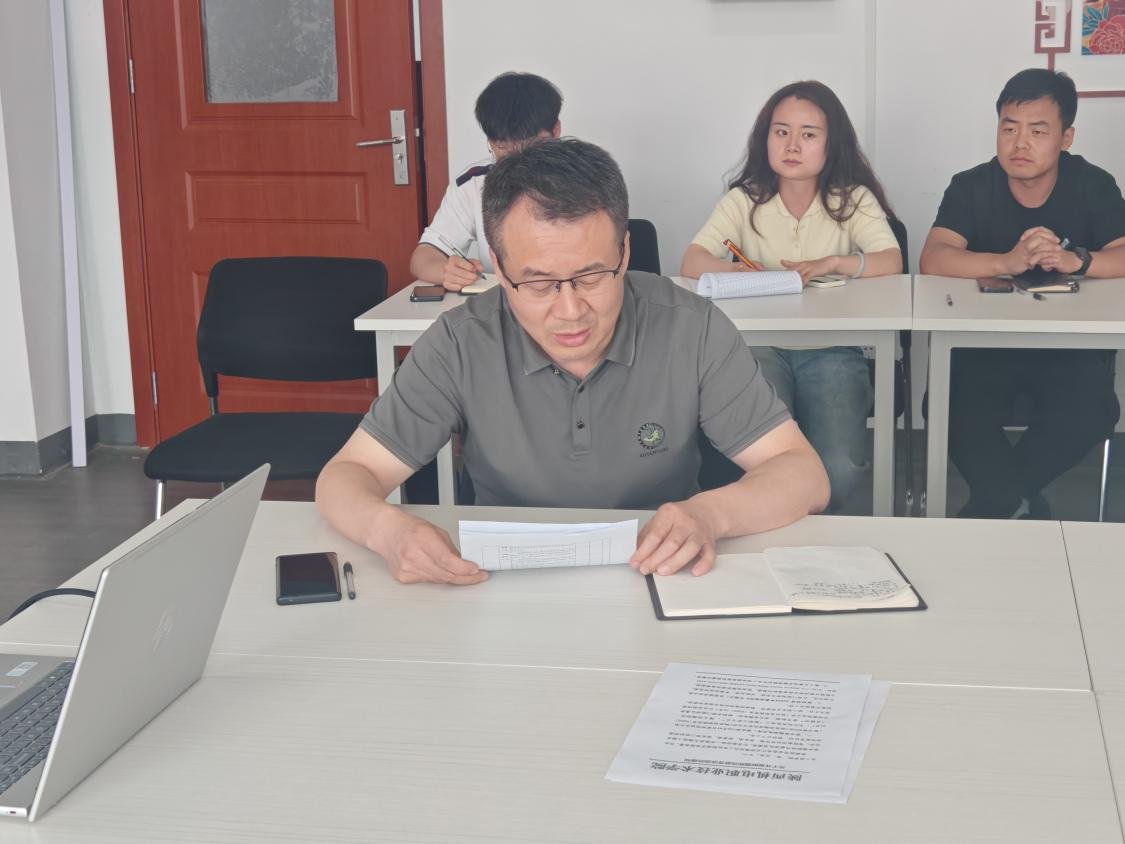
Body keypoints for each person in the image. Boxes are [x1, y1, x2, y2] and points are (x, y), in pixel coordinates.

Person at [317, 138, 829, 586]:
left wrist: (710, 514)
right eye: (538, 283)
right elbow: (346, 475)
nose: (569, 312)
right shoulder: (460, 341)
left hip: (662, 574)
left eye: (591, 277)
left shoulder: (691, 328)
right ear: (499, 268)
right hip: (499, 584)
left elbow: (804, 475)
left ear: (624, 252)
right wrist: (389, 531)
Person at [680, 80, 902, 512]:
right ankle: (777, 529)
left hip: (832, 346)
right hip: (757, 347)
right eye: (781, 132)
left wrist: (833, 262)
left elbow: (891, 260)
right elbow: (693, 260)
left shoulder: (851, 199)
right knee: (760, 460)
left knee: (840, 469)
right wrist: (746, 273)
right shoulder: (744, 200)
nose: (792, 145)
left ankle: (811, 530)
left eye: (808, 134)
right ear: (765, 139)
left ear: (831, 144)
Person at [919, 68, 1125, 519]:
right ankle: (1017, 501)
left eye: (1038, 131)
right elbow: (933, 257)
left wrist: (1078, 260)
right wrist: (1005, 262)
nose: (1020, 143)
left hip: (1068, 348)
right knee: (947, 405)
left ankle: (999, 502)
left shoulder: (1093, 184)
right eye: (1009, 128)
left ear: (1066, 137)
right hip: (982, 346)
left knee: (1093, 410)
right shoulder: (972, 185)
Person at [409, 71, 563, 291]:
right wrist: (448, 271)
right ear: (490, 142)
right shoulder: (474, 183)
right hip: (503, 302)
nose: (519, 158)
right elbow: (423, 257)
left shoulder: (588, 179)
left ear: (555, 131)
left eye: (531, 145)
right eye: (504, 147)